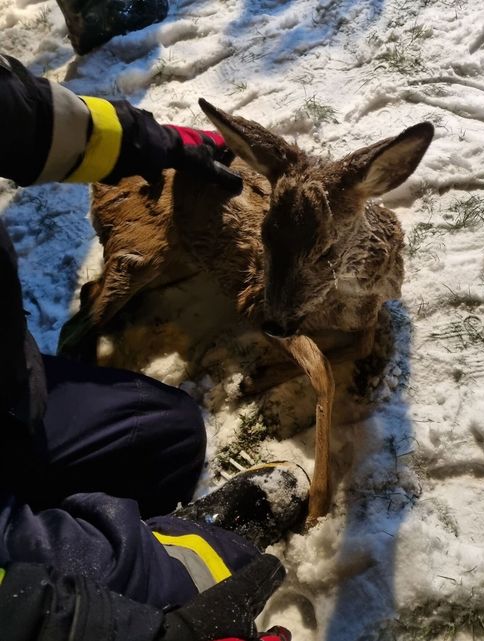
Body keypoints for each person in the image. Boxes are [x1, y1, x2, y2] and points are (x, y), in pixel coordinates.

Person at [1, 53, 306, 639]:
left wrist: (151, 144)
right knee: (204, 577)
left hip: (11, 390)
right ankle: (164, 551)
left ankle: (77, 508)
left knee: (164, 434)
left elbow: (21, 115)